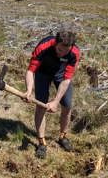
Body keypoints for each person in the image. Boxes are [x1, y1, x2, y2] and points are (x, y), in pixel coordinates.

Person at [24, 27, 80, 159]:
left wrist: (55, 101)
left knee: (67, 105)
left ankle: (63, 136)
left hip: (61, 74)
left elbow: (67, 80)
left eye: (65, 52)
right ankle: (42, 142)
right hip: (42, 73)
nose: (62, 54)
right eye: (60, 50)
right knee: (41, 105)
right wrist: (28, 90)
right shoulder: (43, 47)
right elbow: (30, 71)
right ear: (55, 43)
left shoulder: (74, 53)